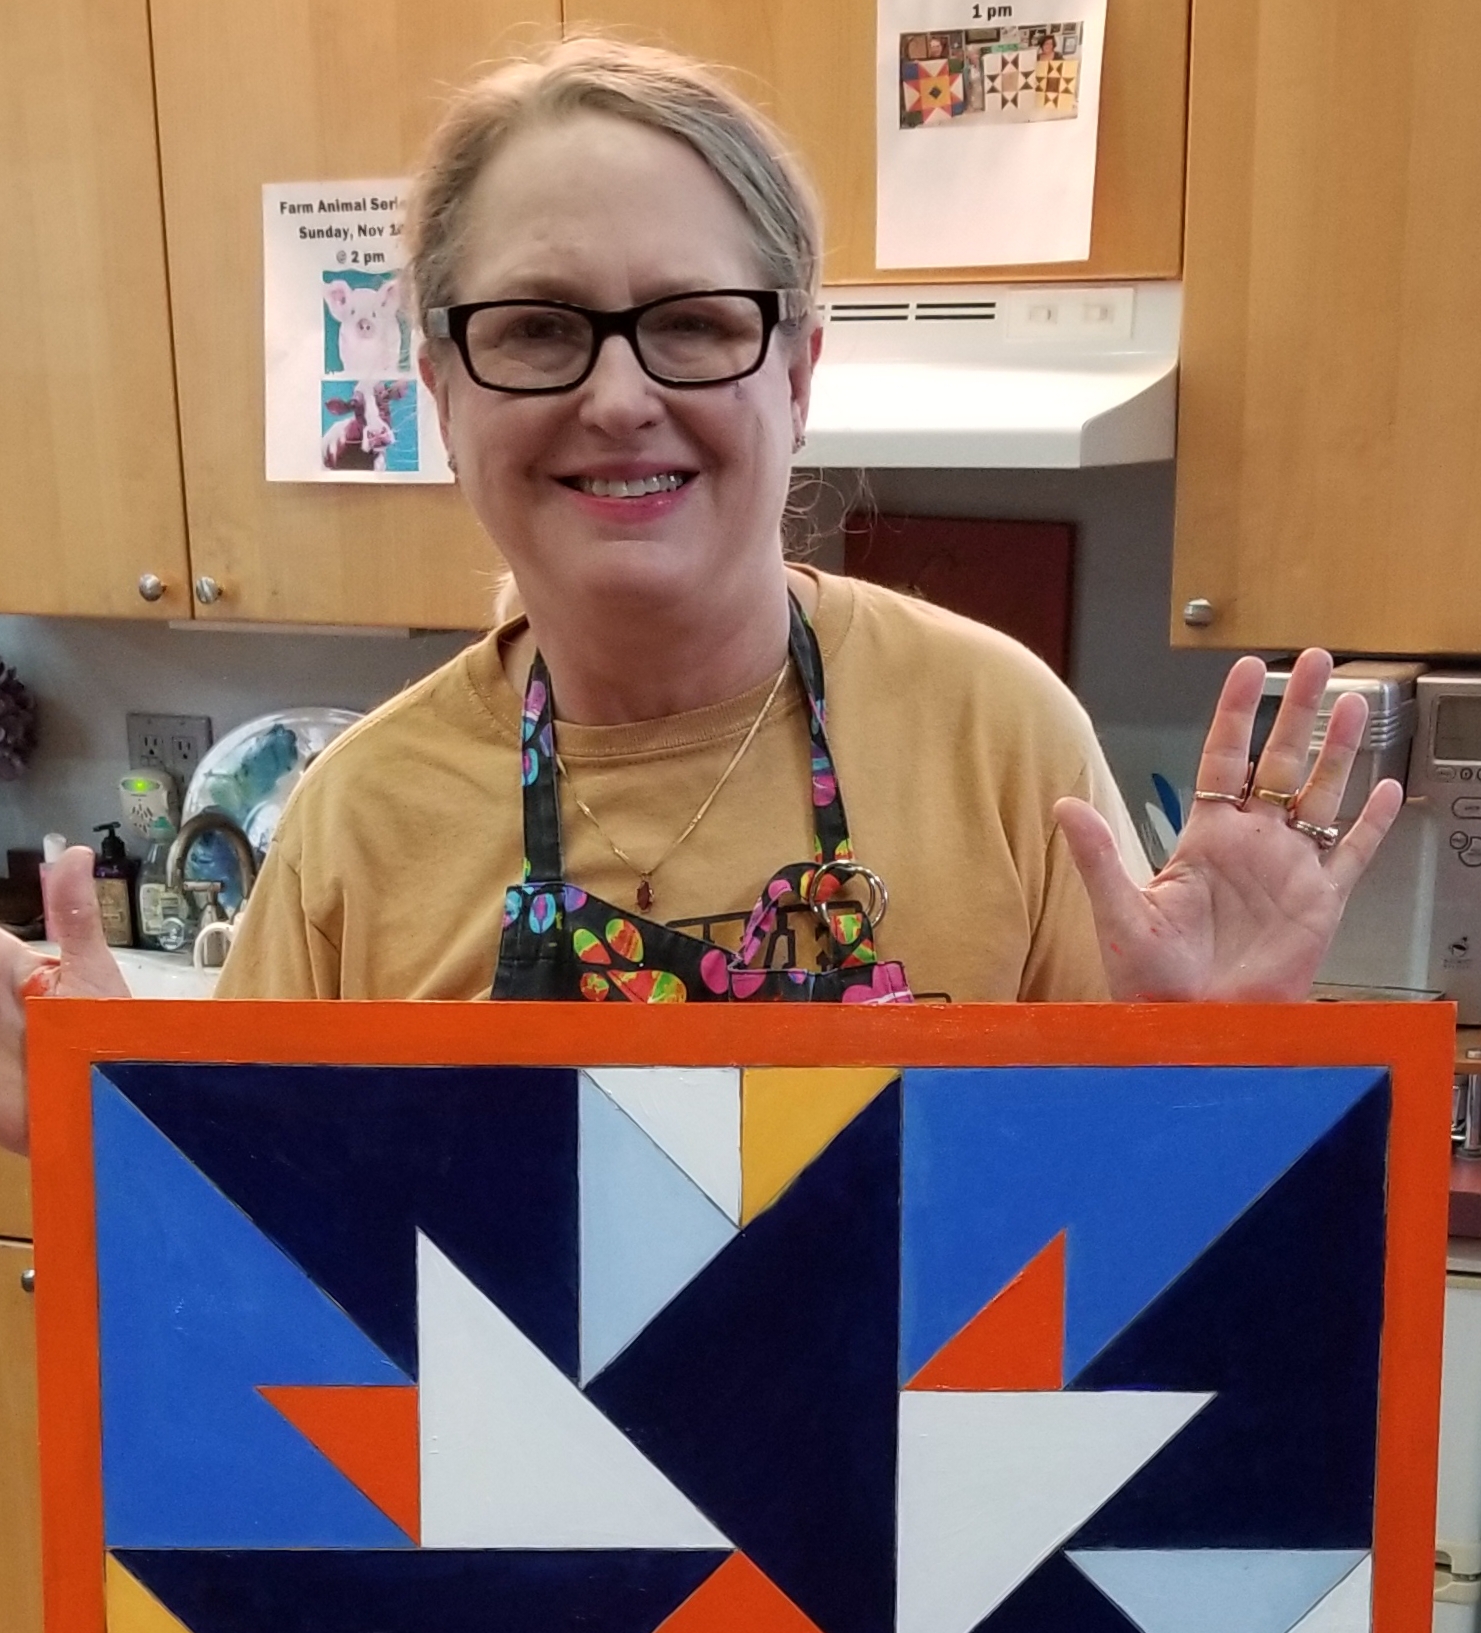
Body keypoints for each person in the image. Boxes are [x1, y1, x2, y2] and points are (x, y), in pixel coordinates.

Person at [0, 36, 1401, 1154]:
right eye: (535, 328)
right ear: (439, 392)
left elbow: (1119, 1283)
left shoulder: (998, 739)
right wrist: (132, 1146)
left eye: (693, 323)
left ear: (796, 373)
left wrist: (1206, 1078)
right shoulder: (357, 828)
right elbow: (286, 1321)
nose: (620, 397)